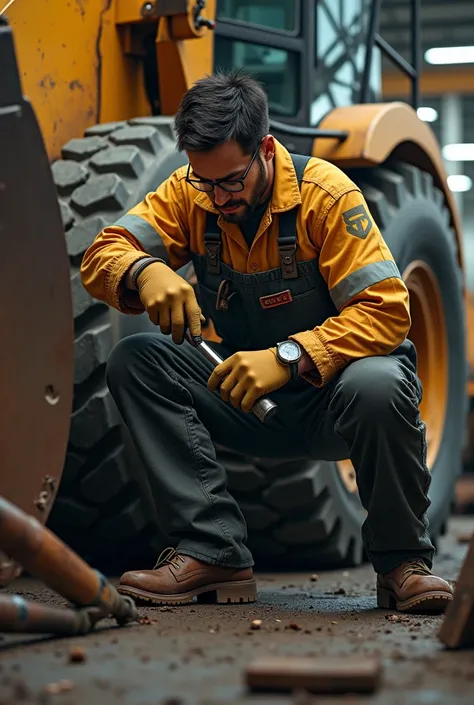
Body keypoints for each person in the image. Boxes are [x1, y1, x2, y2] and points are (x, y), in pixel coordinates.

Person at [80, 70, 453, 614]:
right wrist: (142, 271)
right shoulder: (194, 193)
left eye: (230, 181)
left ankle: (401, 563)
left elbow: (388, 309)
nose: (218, 198)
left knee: (379, 382)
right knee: (135, 360)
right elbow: (101, 252)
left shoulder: (325, 195)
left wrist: (290, 357)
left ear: (266, 150)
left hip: (337, 404)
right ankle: (214, 551)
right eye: (203, 182)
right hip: (252, 404)